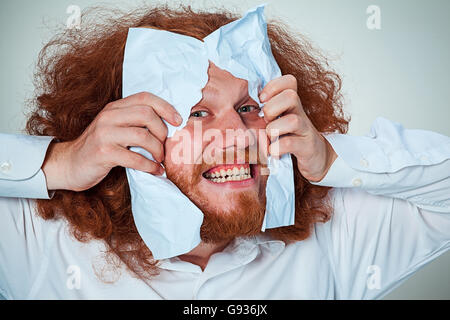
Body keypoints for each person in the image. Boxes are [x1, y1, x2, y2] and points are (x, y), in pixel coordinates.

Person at [0, 4, 449, 300]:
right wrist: (60, 163)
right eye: (197, 114)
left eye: (249, 107)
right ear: (122, 133)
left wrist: (333, 161)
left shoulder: (337, 238)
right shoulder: (38, 242)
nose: (238, 134)